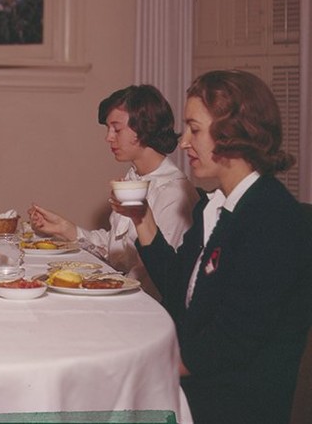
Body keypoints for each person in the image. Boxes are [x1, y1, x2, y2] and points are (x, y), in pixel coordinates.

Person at [114, 70, 312, 424]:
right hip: (198, 387)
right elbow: (178, 289)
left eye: (195, 128)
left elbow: (231, 343)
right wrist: (142, 219)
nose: (185, 141)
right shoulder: (214, 205)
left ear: (235, 134)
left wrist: (143, 367)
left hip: (231, 405)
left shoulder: (272, 216)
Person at [28, 84, 197, 299]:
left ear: (145, 126)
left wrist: (96, 287)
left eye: (116, 129)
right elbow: (119, 253)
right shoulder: (133, 177)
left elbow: (159, 277)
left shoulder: (173, 192)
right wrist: (64, 228)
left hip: (146, 306)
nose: (108, 137)